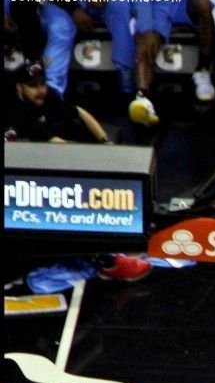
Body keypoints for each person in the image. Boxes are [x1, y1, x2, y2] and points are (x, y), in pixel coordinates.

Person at [5, 60, 153, 282]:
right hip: (14, 173)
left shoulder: (47, 97)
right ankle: (102, 254)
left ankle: (104, 247)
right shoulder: (13, 109)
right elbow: (53, 142)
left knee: (76, 129)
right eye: (33, 86)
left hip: (33, 163)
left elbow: (80, 112)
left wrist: (106, 144)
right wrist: (92, 158)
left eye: (42, 83)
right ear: (19, 87)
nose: (40, 90)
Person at [128, 0, 215, 125]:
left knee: (205, 3)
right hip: (154, 1)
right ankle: (142, 97)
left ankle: (203, 70)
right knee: (146, 36)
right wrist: (146, 27)